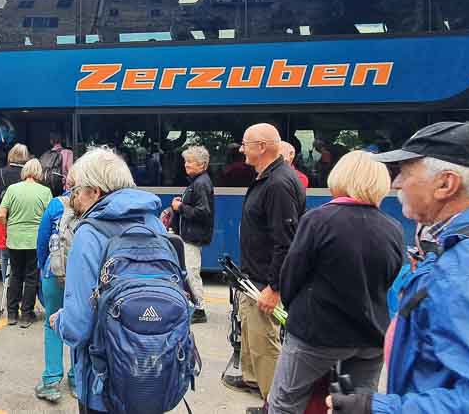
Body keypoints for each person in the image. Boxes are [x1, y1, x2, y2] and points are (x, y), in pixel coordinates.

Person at [328, 121, 469, 413]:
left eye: (406, 173)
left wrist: (373, 408)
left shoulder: (467, 269)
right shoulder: (467, 248)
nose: (395, 183)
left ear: (446, 184)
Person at [268, 151, 403, 413]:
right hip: (371, 337)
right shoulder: (393, 227)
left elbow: (291, 275)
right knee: (356, 406)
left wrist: (292, 307)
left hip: (317, 333)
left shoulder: (318, 220)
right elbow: (389, 279)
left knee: (286, 401)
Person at [50, 148, 167, 413]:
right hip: (155, 370)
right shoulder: (155, 224)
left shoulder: (90, 233)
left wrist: (60, 322)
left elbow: (78, 327)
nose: (74, 197)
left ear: (95, 191)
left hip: (103, 382)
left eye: (77, 190)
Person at [230, 123, 305, 414]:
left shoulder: (277, 184)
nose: (241, 149)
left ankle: (274, 405)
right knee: (252, 335)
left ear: (261, 147)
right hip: (254, 277)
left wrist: (274, 288)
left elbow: (285, 242)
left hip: (264, 282)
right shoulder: (268, 178)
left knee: (265, 344)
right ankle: (255, 383)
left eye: (245, 144)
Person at [34, 173, 76, 403]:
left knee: (52, 323)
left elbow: (41, 242)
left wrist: (43, 268)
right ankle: (78, 379)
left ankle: (51, 381)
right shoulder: (96, 205)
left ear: (67, 184)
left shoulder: (55, 204)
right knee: (81, 324)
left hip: (55, 270)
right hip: (82, 275)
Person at [0, 158, 52, 327]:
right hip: (35, 241)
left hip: (14, 239)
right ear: (39, 173)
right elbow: (50, 218)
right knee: (31, 277)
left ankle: (12, 314)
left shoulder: (12, 189)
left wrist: (9, 226)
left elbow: (0, 215)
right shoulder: (45, 191)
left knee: (15, 275)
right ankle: (26, 315)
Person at [171, 145, 214, 324]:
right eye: (186, 161)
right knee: (189, 270)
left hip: (192, 236)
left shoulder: (200, 184)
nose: (186, 165)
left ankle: (199, 309)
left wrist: (180, 207)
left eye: (190, 161)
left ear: (202, 165)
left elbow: (203, 212)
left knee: (191, 272)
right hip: (191, 234)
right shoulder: (198, 182)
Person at [0, 143, 29, 281]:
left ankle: (6, 283)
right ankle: (20, 282)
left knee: (5, 254)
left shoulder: (0, 173)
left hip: (4, 217)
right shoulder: (27, 175)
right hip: (23, 217)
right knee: (24, 256)